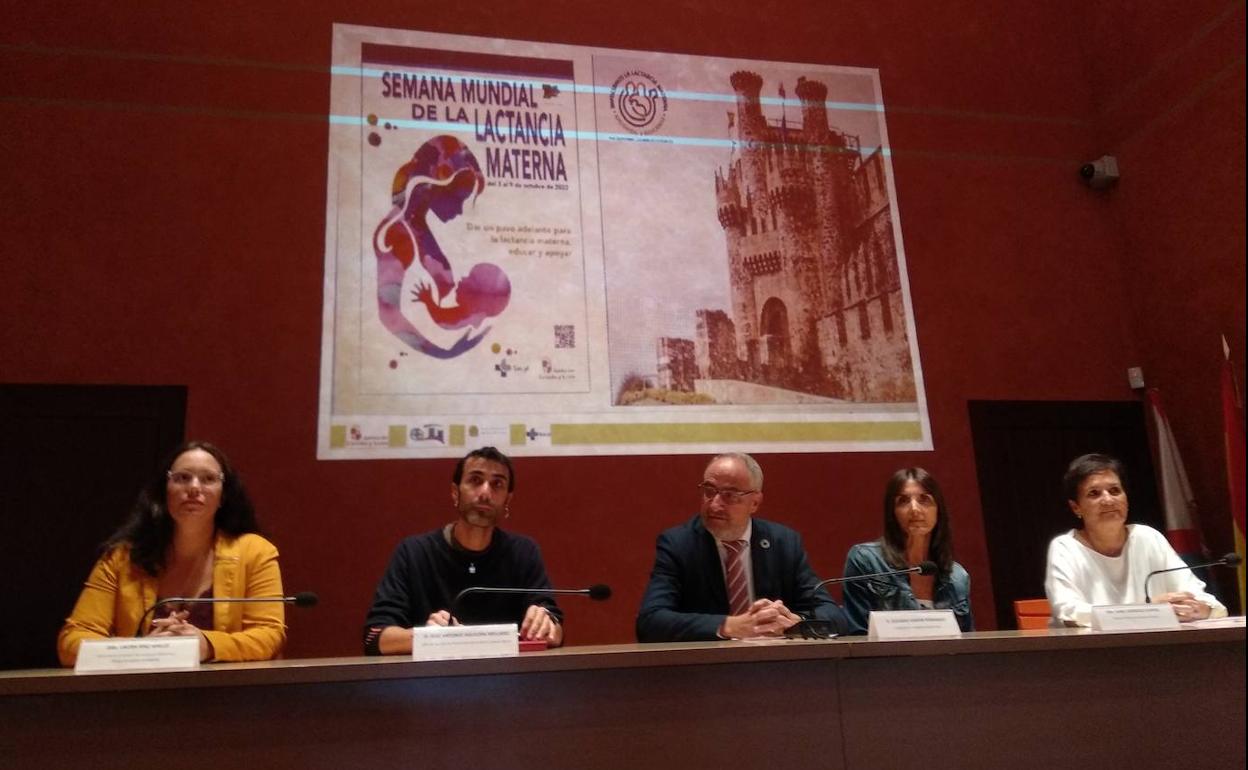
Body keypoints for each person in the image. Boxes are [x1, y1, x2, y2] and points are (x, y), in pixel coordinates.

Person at [57, 441, 286, 666]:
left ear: (223, 496)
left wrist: (206, 645)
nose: (194, 488)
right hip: (141, 688)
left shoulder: (255, 552)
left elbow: (270, 635)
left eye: (208, 479)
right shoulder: (122, 558)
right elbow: (71, 642)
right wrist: (141, 650)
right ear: (164, 491)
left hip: (226, 689)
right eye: (182, 478)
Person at [363, 446, 563, 654]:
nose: (485, 493)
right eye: (475, 480)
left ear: (507, 500)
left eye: (497, 484)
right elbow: (375, 636)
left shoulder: (523, 553)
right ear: (455, 492)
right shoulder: (414, 553)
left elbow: (556, 632)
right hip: (432, 673)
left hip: (506, 673)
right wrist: (430, 638)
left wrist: (547, 624)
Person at [636, 452, 847, 642]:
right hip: (708, 666)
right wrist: (729, 626)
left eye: (730, 494)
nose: (714, 504)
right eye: (709, 491)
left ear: (755, 502)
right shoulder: (679, 544)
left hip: (776, 664)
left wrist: (795, 623)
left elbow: (834, 616)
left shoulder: (783, 543)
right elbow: (650, 622)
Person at [1045, 453, 1227, 627]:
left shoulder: (1148, 538)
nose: (1108, 500)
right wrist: (1148, 610)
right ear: (1076, 507)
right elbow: (1069, 612)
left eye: (1115, 491)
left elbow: (1199, 596)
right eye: (1094, 493)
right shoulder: (1065, 548)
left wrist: (1200, 609)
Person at [841, 468, 973, 634]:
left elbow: (968, 641)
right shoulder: (866, 561)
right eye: (903, 501)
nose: (914, 509)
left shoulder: (957, 577)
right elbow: (858, 638)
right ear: (892, 513)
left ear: (938, 510)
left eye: (924, 500)